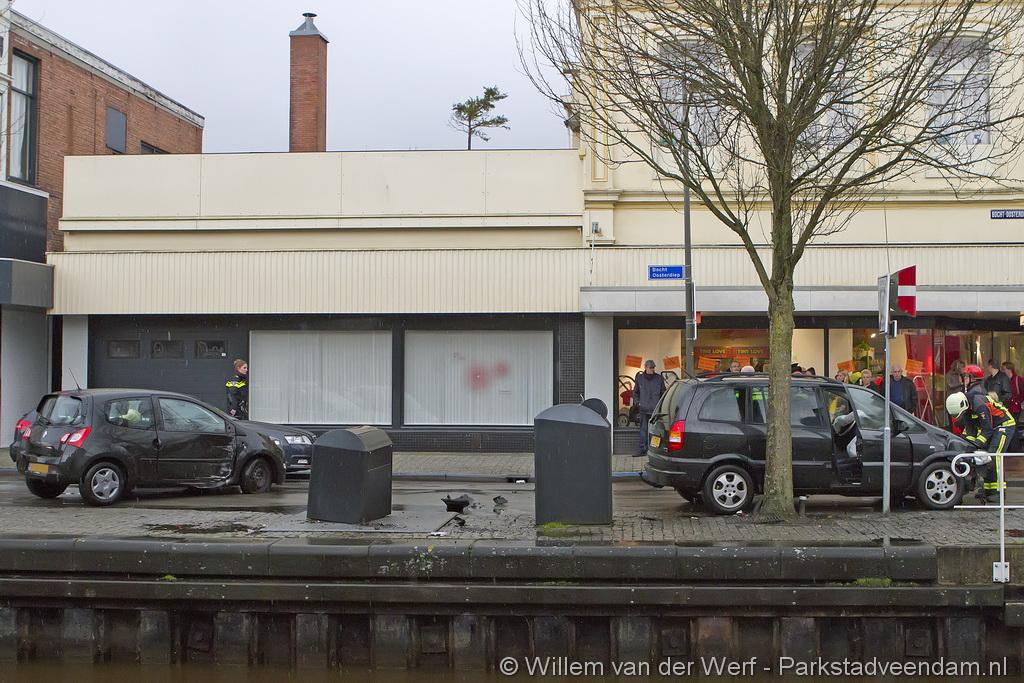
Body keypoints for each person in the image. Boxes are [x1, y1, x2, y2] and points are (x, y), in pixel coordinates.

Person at [946, 364, 1016, 503]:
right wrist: (966, 445)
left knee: (994, 455)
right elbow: (970, 431)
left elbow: (987, 429)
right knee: (986, 457)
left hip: (1004, 425)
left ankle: (999, 492)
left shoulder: (978, 404)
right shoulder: (966, 407)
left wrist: (977, 444)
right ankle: (990, 490)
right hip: (992, 427)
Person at [633, 360, 666, 456]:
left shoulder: (659, 378)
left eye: (653, 367)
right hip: (643, 408)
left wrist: (661, 405)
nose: (652, 369)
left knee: (656, 431)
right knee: (643, 429)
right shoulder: (639, 378)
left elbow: (663, 393)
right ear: (646, 368)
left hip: (655, 409)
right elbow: (635, 392)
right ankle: (642, 449)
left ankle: (654, 450)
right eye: (651, 367)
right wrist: (638, 403)